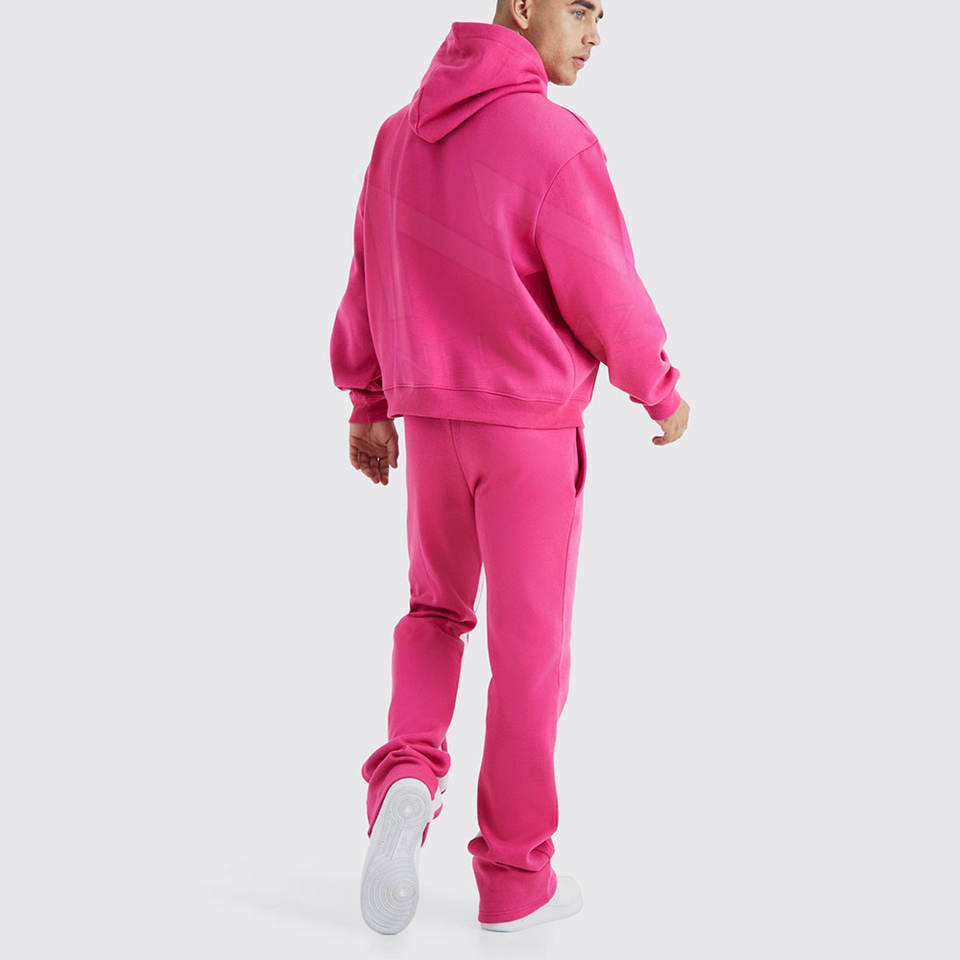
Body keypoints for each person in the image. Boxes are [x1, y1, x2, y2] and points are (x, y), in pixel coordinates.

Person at [330, 0, 690, 936]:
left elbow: (369, 270)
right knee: (530, 656)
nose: (597, 33)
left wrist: (368, 403)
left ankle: (407, 773)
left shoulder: (396, 137)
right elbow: (605, 288)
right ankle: (514, 877)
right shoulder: (554, 141)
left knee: (434, 613)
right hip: (526, 435)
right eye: (581, 9)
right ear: (523, 6)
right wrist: (659, 389)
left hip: (429, 425)